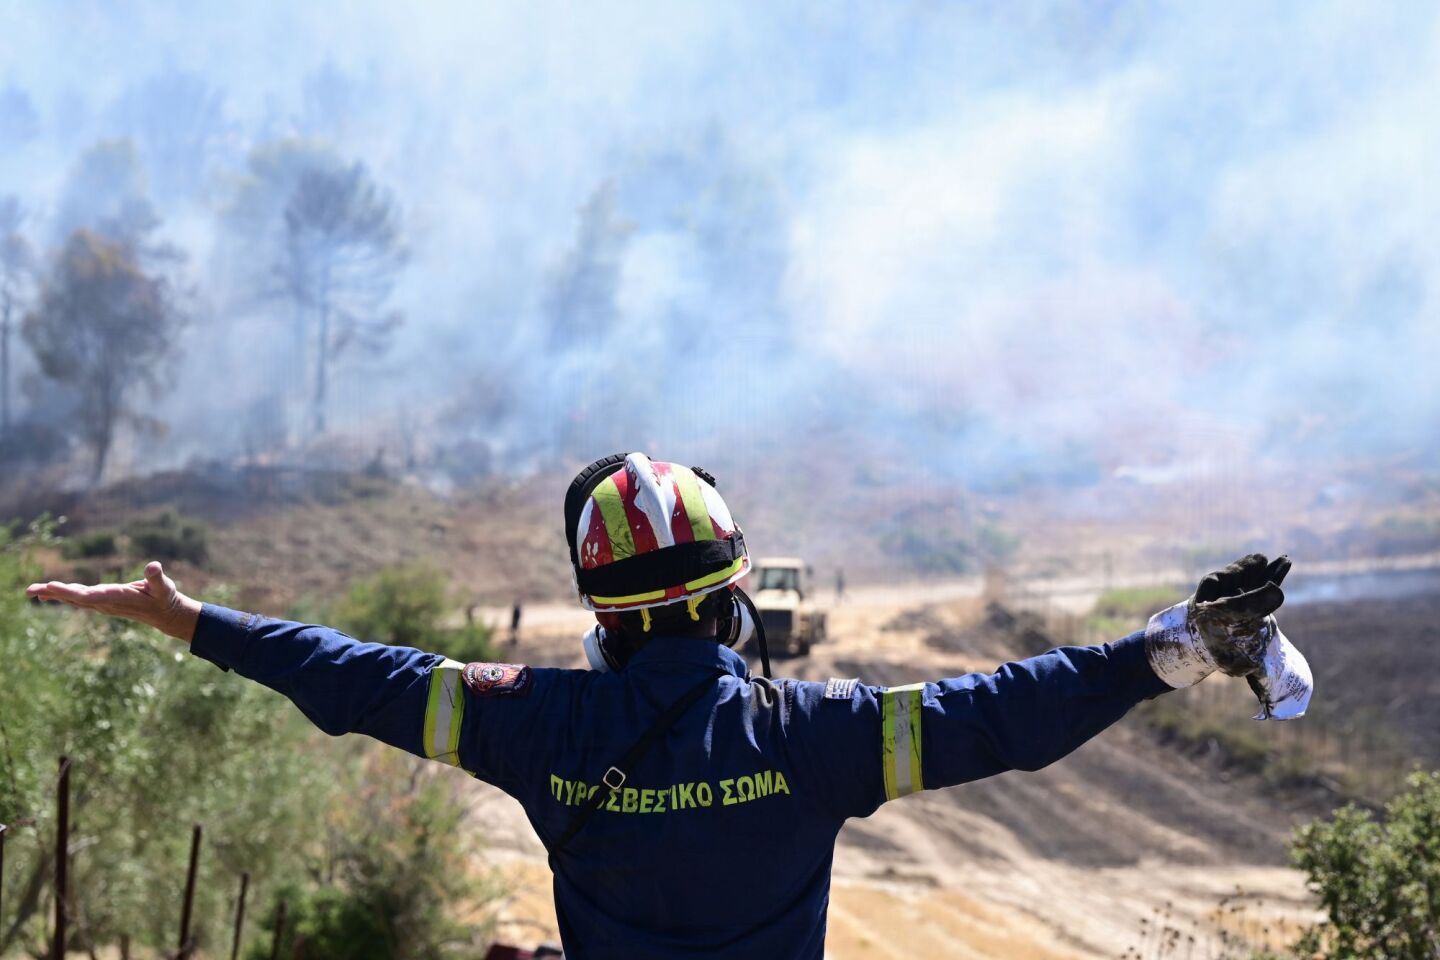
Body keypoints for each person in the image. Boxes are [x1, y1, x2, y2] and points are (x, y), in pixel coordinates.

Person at [24, 452, 1301, 960]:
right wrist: (1174, 645)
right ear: (731, 601)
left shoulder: (532, 721)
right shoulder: (818, 737)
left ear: (606, 615)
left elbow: (358, 677)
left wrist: (192, 623)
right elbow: (1009, 709)